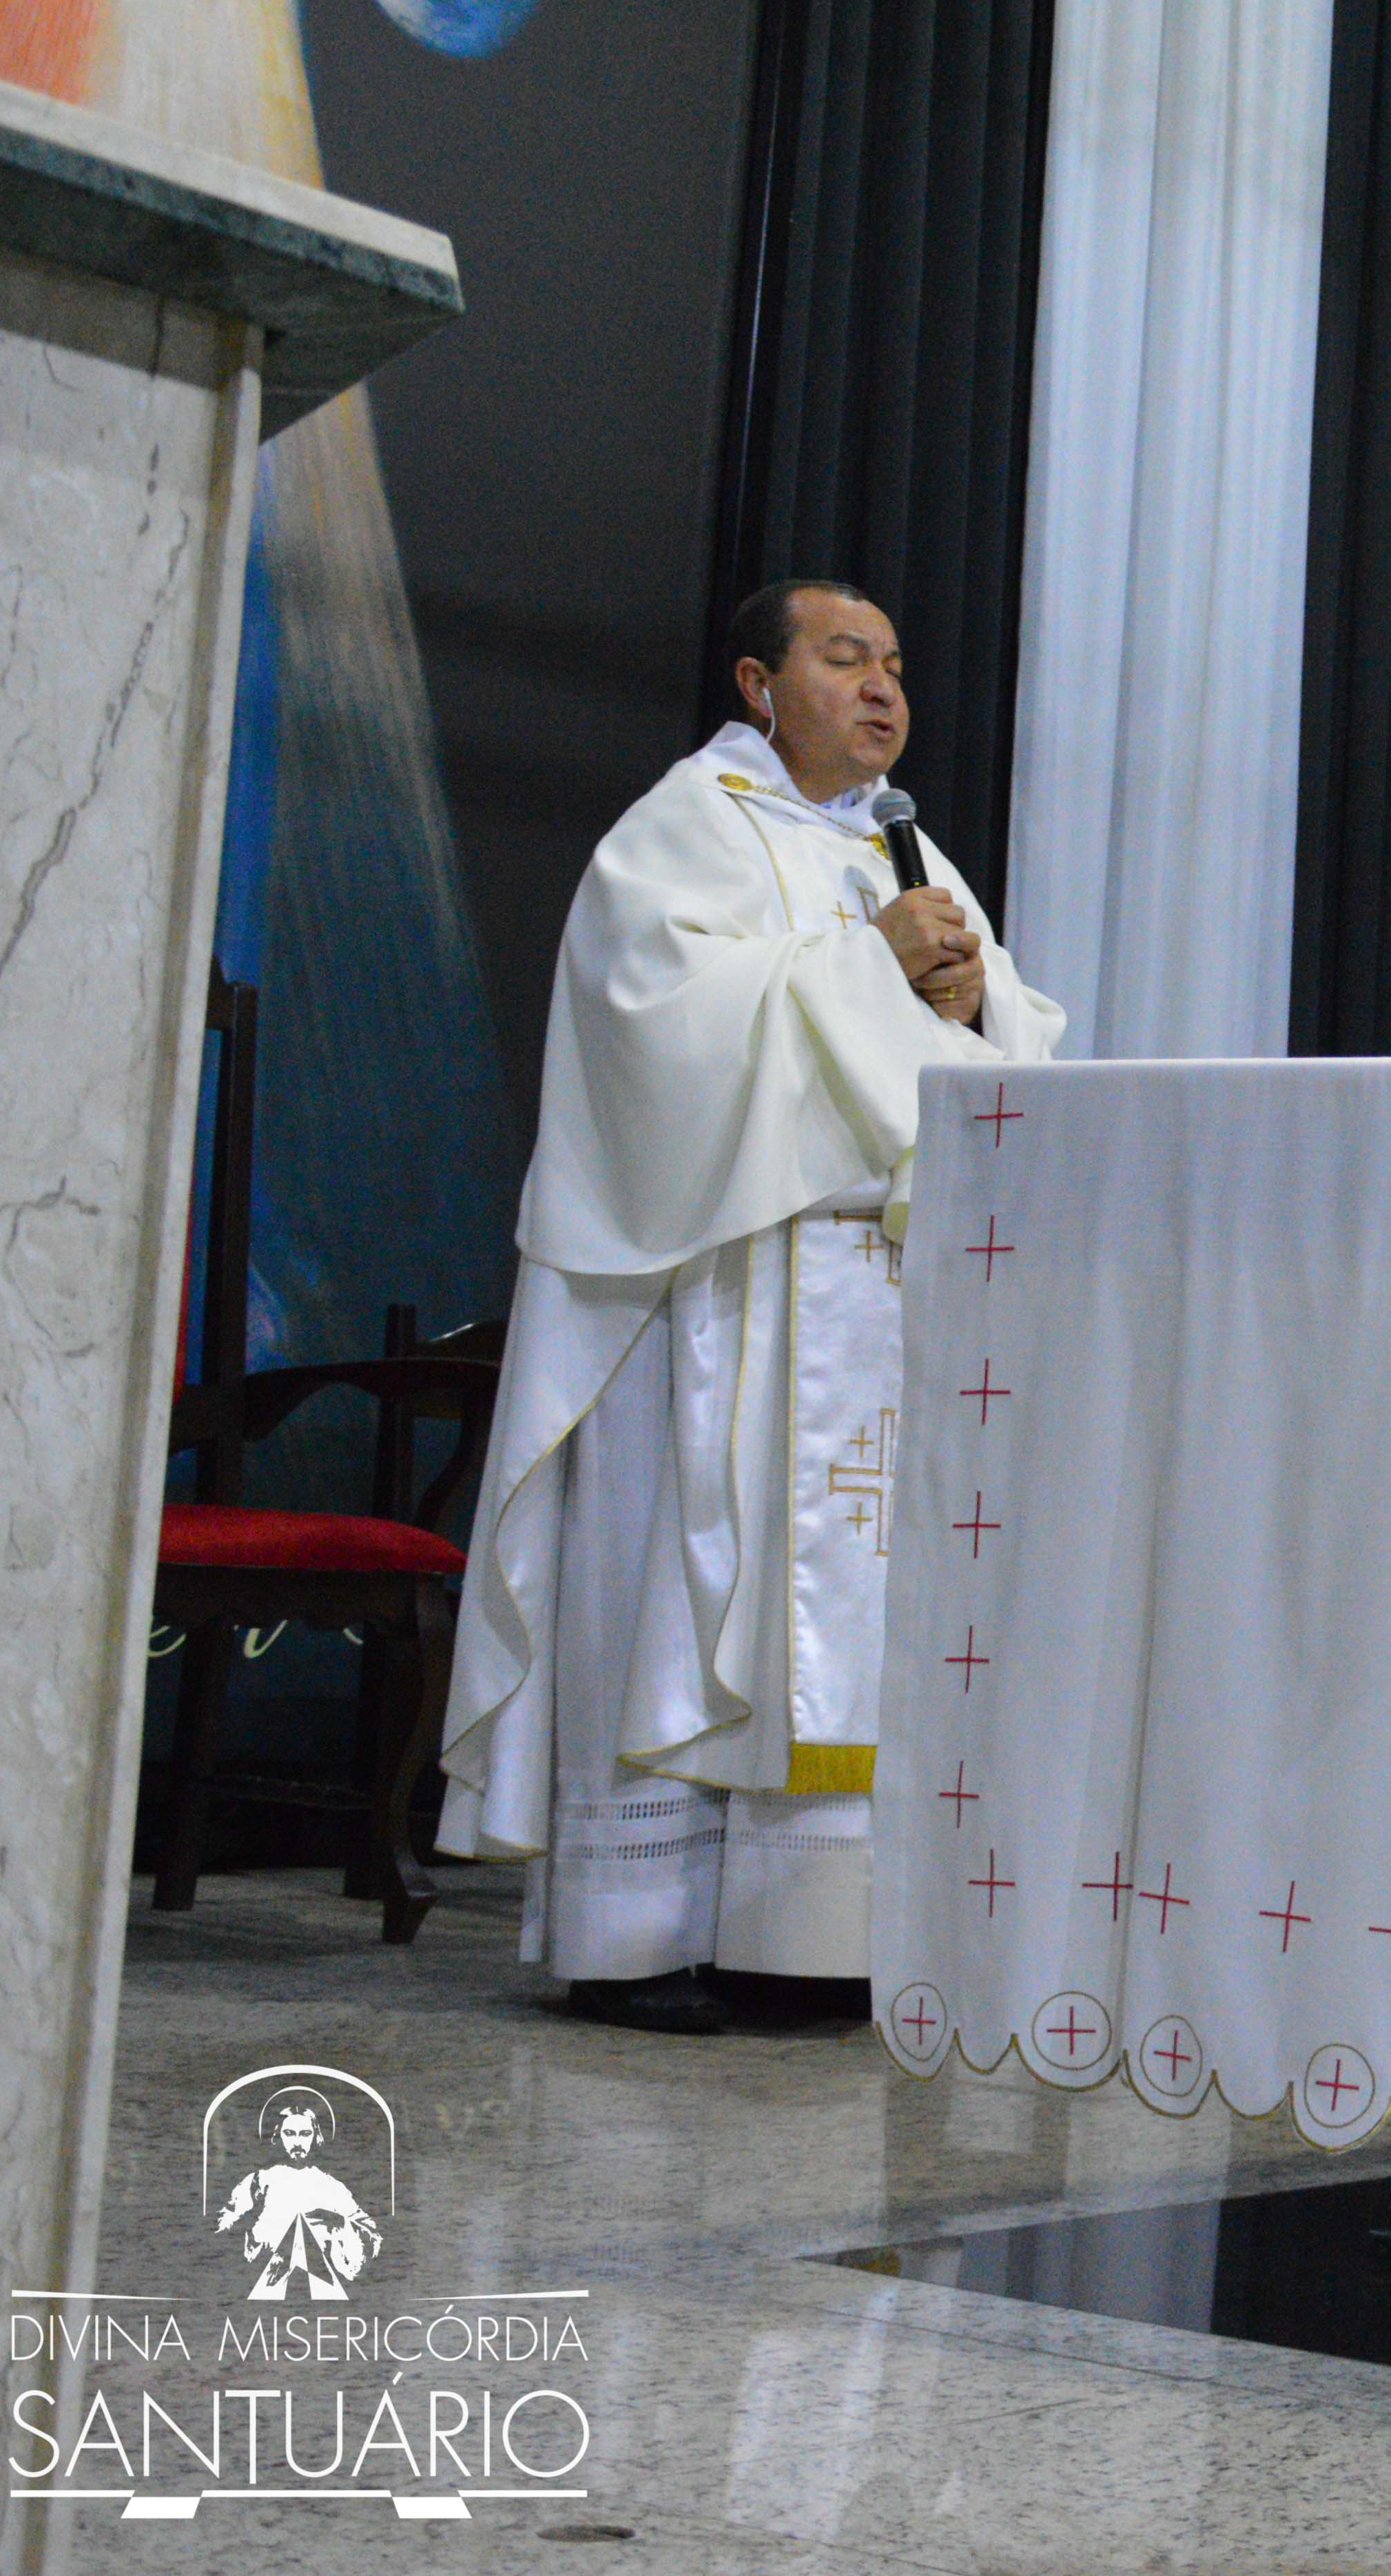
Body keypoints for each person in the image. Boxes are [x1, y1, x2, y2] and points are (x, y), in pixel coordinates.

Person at [435, 582, 1064, 2034]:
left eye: (894, 664)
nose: (883, 688)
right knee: (681, 1596)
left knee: (846, 1619)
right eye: (844, 659)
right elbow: (653, 1027)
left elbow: (1012, 1029)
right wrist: (871, 964)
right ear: (757, 682)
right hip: (716, 1287)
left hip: (867, 1293)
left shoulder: (903, 850)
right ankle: (635, 1936)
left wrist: (974, 1005)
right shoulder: (685, 828)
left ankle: (801, 1939)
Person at [217, 2090, 379, 2300]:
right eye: (289, 2133)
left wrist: (339, 2222)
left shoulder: (333, 2187)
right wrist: (254, 2234)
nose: (297, 2141)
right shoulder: (259, 2181)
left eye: (305, 2134)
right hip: (264, 2281)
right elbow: (222, 2228)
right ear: (277, 2136)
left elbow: (372, 2237)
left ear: (316, 2137)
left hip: (322, 2288)